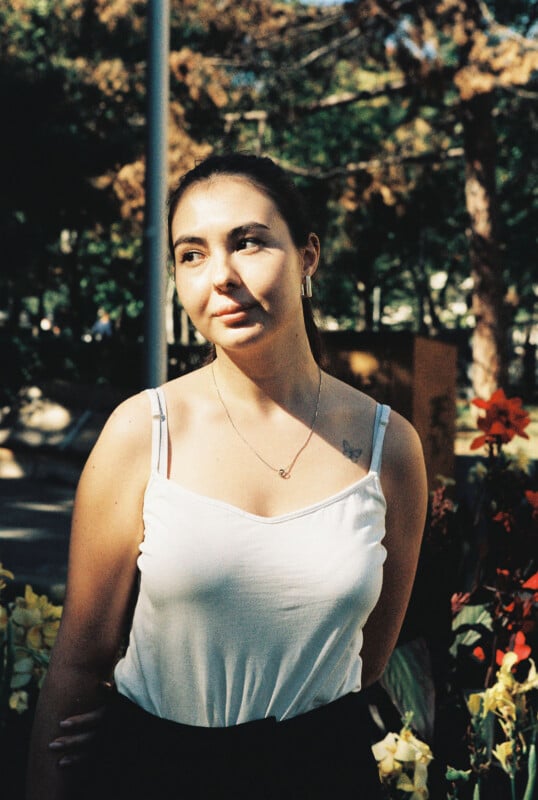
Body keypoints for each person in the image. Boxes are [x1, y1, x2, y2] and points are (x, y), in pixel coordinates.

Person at [26, 153, 427, 799]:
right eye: (192, 254)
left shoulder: (390, 447)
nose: (222, 277)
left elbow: (366, 657)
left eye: (248, 242)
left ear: (308, 257)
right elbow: (78, 663)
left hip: (320, 773)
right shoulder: (141, 432)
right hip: (156, 773)